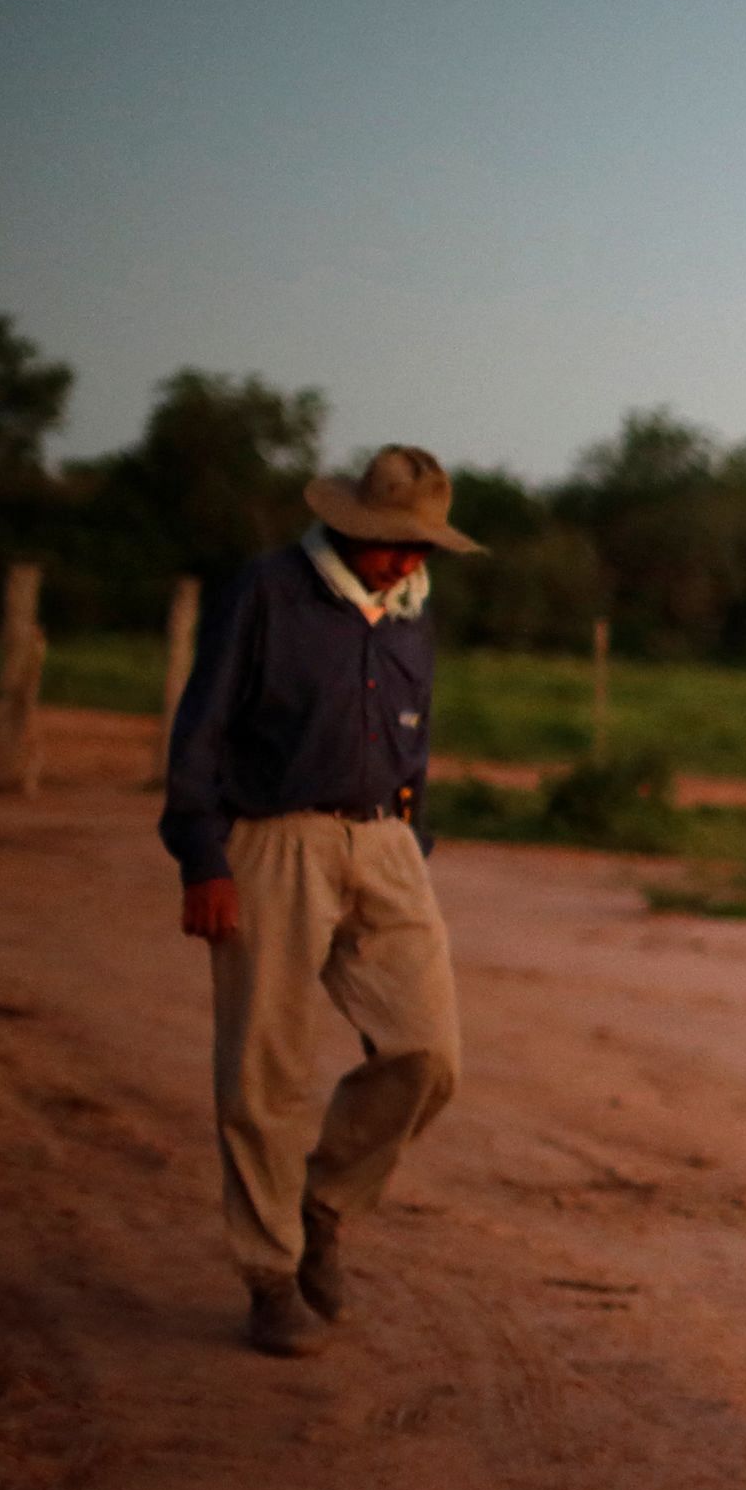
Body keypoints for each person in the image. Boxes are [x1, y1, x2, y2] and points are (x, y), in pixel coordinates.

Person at [161, 446, 481, 1357]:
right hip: (272, 840)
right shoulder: (267, 591)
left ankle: (324, 1203)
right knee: (264, 1068)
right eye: (391, 544)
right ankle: (269, 1273)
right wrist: (201, 857)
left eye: (420, 547)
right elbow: (202, 728)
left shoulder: (414, 618)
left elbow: (412, 741)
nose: (406, 560)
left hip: (386, 842)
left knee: (429, 1052)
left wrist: (409, 843)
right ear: (346, 525)